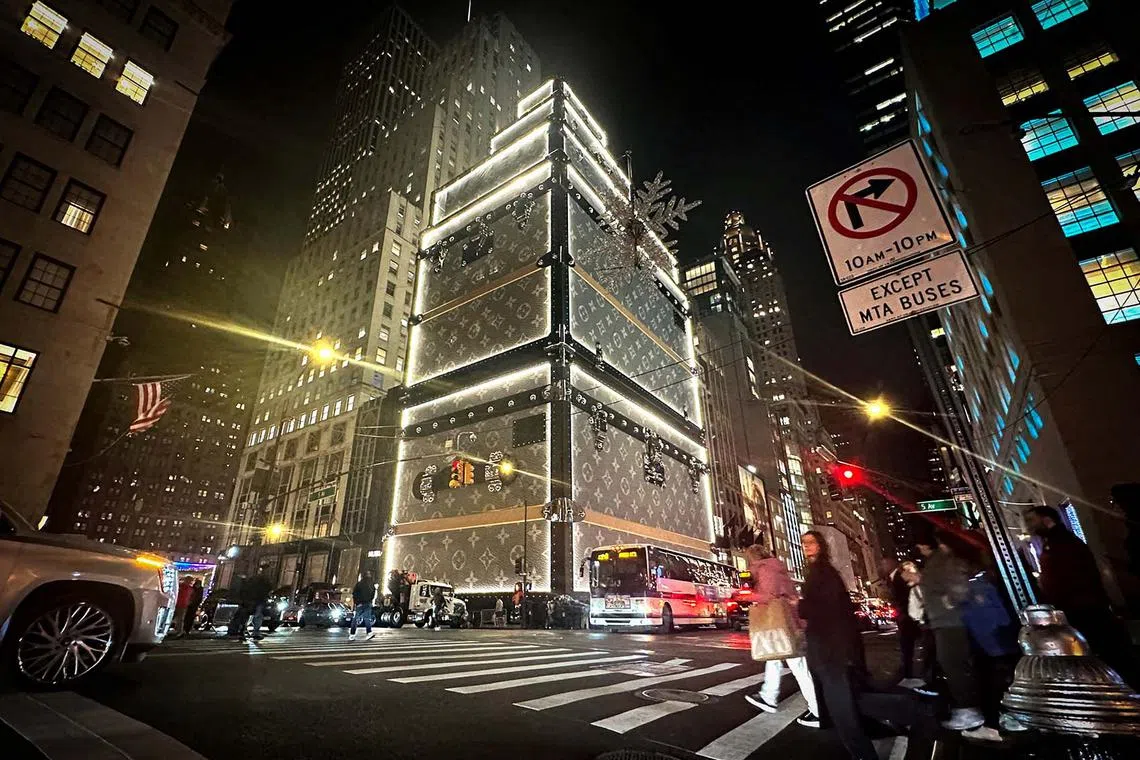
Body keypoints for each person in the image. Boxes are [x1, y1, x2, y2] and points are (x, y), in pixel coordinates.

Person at [1024, 506, 1137, 687]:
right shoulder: (1056, 541)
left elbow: (1070, 578)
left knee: (1108, 656)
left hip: (1084, 609)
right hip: (1082, 607)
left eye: (1032, 520)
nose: (1028, 526)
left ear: (1046, 520)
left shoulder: (1061, 543)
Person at [741, 544, 820, 729]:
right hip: (787, 621)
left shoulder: (766, 569)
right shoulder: (776, 567)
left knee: (799, 666)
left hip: (784, 624)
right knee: (774, 658)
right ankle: (769, 696)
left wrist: (746, 597)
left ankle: (818, 711)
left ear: (753, 557)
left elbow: (770, 595)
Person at [916, 532, 984, 730]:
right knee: (953, 664)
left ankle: (970, 710)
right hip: (944, 621)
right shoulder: (940, 560)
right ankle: (969, 708)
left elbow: (959, 585)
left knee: (954, 664)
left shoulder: (945, 560)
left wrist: (948, 602)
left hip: (950, 622)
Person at [881, 557, 921, 688]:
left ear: (891, 564)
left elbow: (908, 595)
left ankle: (910, 673)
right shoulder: (891, 578)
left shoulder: (901, 576)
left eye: (884, 563)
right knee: (908, 645)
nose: (881, 566)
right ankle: (908, 672)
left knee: (908, 644)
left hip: (909, 616)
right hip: (905, 617)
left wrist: (904, 612)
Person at [245, 565, 274, 641]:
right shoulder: (264, 579)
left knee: (253, 615)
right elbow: (269, 588)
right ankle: (255, 632)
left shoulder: (256, 578)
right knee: (257, 615)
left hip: (255, 599)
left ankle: (246, 630)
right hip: (259, 599)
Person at [350, 571, 376, 641]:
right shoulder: (371, 584)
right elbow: (373, 594)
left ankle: (352, 634)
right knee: (367, 618)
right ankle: (369, 632)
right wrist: (370, 600)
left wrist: (356, 603)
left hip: (360, 604)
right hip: (367, 603)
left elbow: (354, 594)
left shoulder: (359, 584)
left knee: (356, 619)